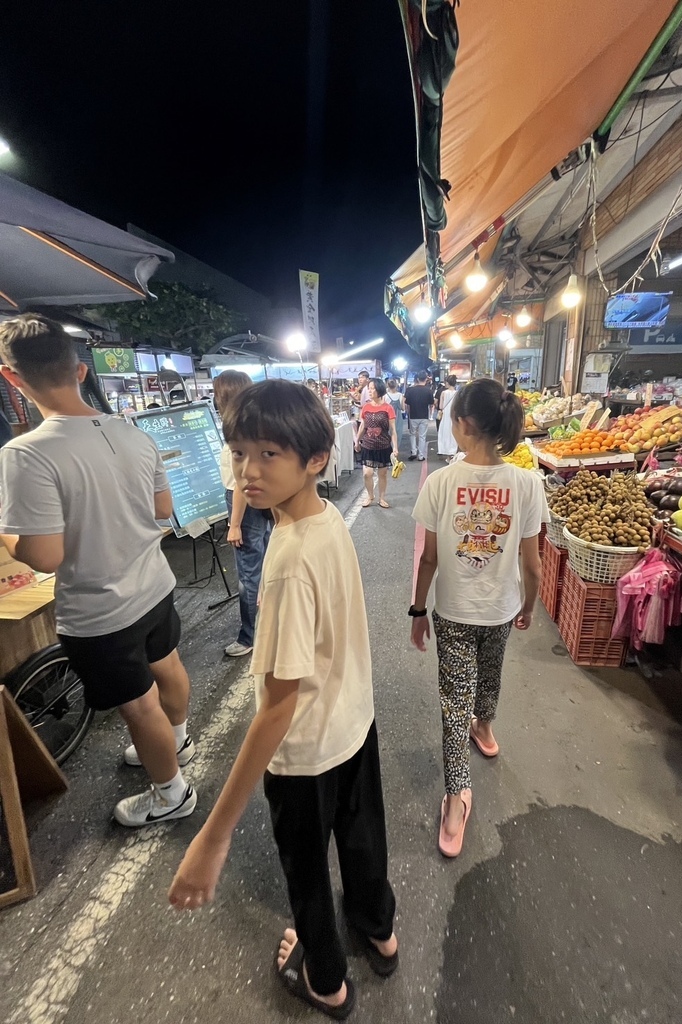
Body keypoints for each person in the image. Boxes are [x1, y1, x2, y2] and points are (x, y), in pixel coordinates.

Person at [168, 379, 397, 1019]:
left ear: (315, 459)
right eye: (240, 453)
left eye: (268, 455)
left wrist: (213, 838)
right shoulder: (326, 522)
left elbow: (277, 708)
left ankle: (326, 981)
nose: (248, 471)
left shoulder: (289, 557)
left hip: (304, 755)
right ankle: (379, 931)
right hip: (354, 724)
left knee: (306, 873)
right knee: (361, 839)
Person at [0, 315, 196, 826]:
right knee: (167, 666)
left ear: (11, 377)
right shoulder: (133, 433)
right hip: (154, 585)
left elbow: (43, 556)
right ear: (81, 371)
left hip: (100, 609)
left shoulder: (26, 454)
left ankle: (170, 793)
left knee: (138, 708)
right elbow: (161, 509)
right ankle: (177, 743)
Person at [410, 378, 547, 858]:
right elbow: (533, 564)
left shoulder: (441, 482)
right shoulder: (528, 484)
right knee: (492, 669)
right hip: (502, 608)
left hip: (452, 610)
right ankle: (485, 728)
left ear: (464, 425)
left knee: (453, 702)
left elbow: (427, 560)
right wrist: (527, 606)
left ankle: (455, 800)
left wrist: (417, 611)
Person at [213, 370, 272, 658]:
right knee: (265, 566)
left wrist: (234, 524)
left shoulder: (238, 429)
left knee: (249, 575)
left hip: (244, 504)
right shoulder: (257, 422)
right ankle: (270, 624)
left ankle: (250, 636)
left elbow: (241, 482)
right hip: (261, 503)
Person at [355, 377, 398, 508]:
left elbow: (393, 430)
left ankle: (382, 498)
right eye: (369, 389)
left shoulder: (388, 408)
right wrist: (357, 441)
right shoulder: (366, 407)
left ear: (379, 390)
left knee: (382, 474)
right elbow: (363, 426)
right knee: (367, 473)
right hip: (368, 446)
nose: (369, 391)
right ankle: (370, 495)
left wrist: (395, 447)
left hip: (384, 446)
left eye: (372, 388)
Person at [404, 370, 434, 461]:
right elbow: (431, 404)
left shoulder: (410, 390)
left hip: (413, 415)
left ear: (417, 379)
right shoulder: (428, 391)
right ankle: (421, 455)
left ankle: (413, 452)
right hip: (424, 416)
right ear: (426, 379)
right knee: (422, 436)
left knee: (412, 434)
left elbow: (406, 403)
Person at [437, 374, 459, 460]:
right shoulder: (457, 393)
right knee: (453, 434)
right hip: (454, 415)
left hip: (446, 416)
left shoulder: (443, 393)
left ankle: (447, 454)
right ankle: (453, 452)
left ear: (448, 383)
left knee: (445, 433)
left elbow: (441, 406)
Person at [384, 378, 405, 457]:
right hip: (398, 418)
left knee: (388, 435)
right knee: (397, 435)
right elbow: (403, 408)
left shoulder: (385, 396)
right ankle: (395, 452)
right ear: (396, 385)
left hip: (387, 418)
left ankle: (388, 454)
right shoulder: (400, 395)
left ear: (387, 386)